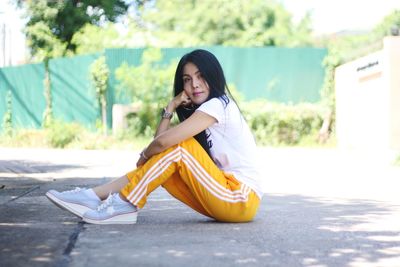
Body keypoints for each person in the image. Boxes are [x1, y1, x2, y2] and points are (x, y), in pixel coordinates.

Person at [46, 49, 263, 225]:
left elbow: (161, 144)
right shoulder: (205, 111)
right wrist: (170, 107)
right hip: (224, 196)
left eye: (200, 76)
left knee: (178, 147)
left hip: (240, 198)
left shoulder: (219, 105)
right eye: (187, 79)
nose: (194, 84)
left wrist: (144, 154)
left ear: (213, 76)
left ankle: (125, 203)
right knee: (169, 156)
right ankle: (93, 196)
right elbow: (161, 147)